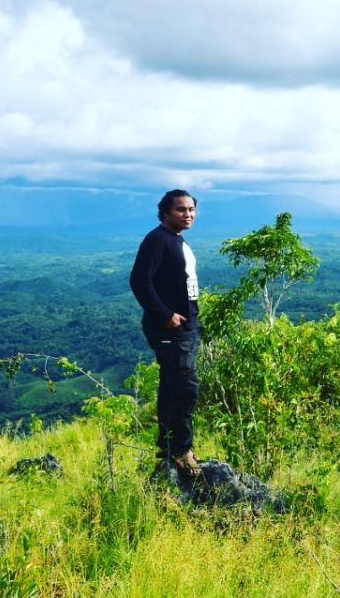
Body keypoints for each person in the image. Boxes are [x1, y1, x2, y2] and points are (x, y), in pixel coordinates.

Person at [129, 189, 203, 478]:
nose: (188, 214)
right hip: (171, 329)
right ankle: (181, 450)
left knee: (172, 387)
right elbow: (139, 280)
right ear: (165, 213)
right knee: (185, 388)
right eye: (181, 210)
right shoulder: (157, 240)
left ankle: (169, 445)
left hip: (185, 326)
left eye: (191, 210)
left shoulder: (174, 240)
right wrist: (165, 315)